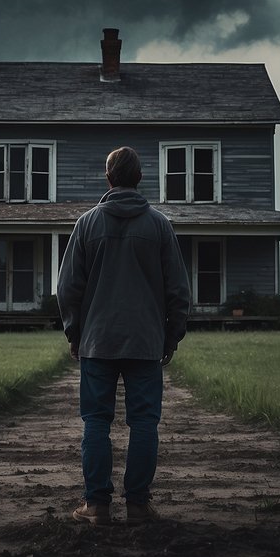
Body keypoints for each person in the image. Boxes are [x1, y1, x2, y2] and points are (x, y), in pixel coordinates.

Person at [56, 146, 191, 525]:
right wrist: (171, 336)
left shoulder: (86, 224)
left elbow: (68, 288)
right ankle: (137, 505)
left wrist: (74, 333)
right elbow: (179, 290)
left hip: (97, 342)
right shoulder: (160, 225)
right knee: (144, 422)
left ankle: (96, 505)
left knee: (96, 421)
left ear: (108, 178)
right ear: (140, 179)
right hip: (146, 342)